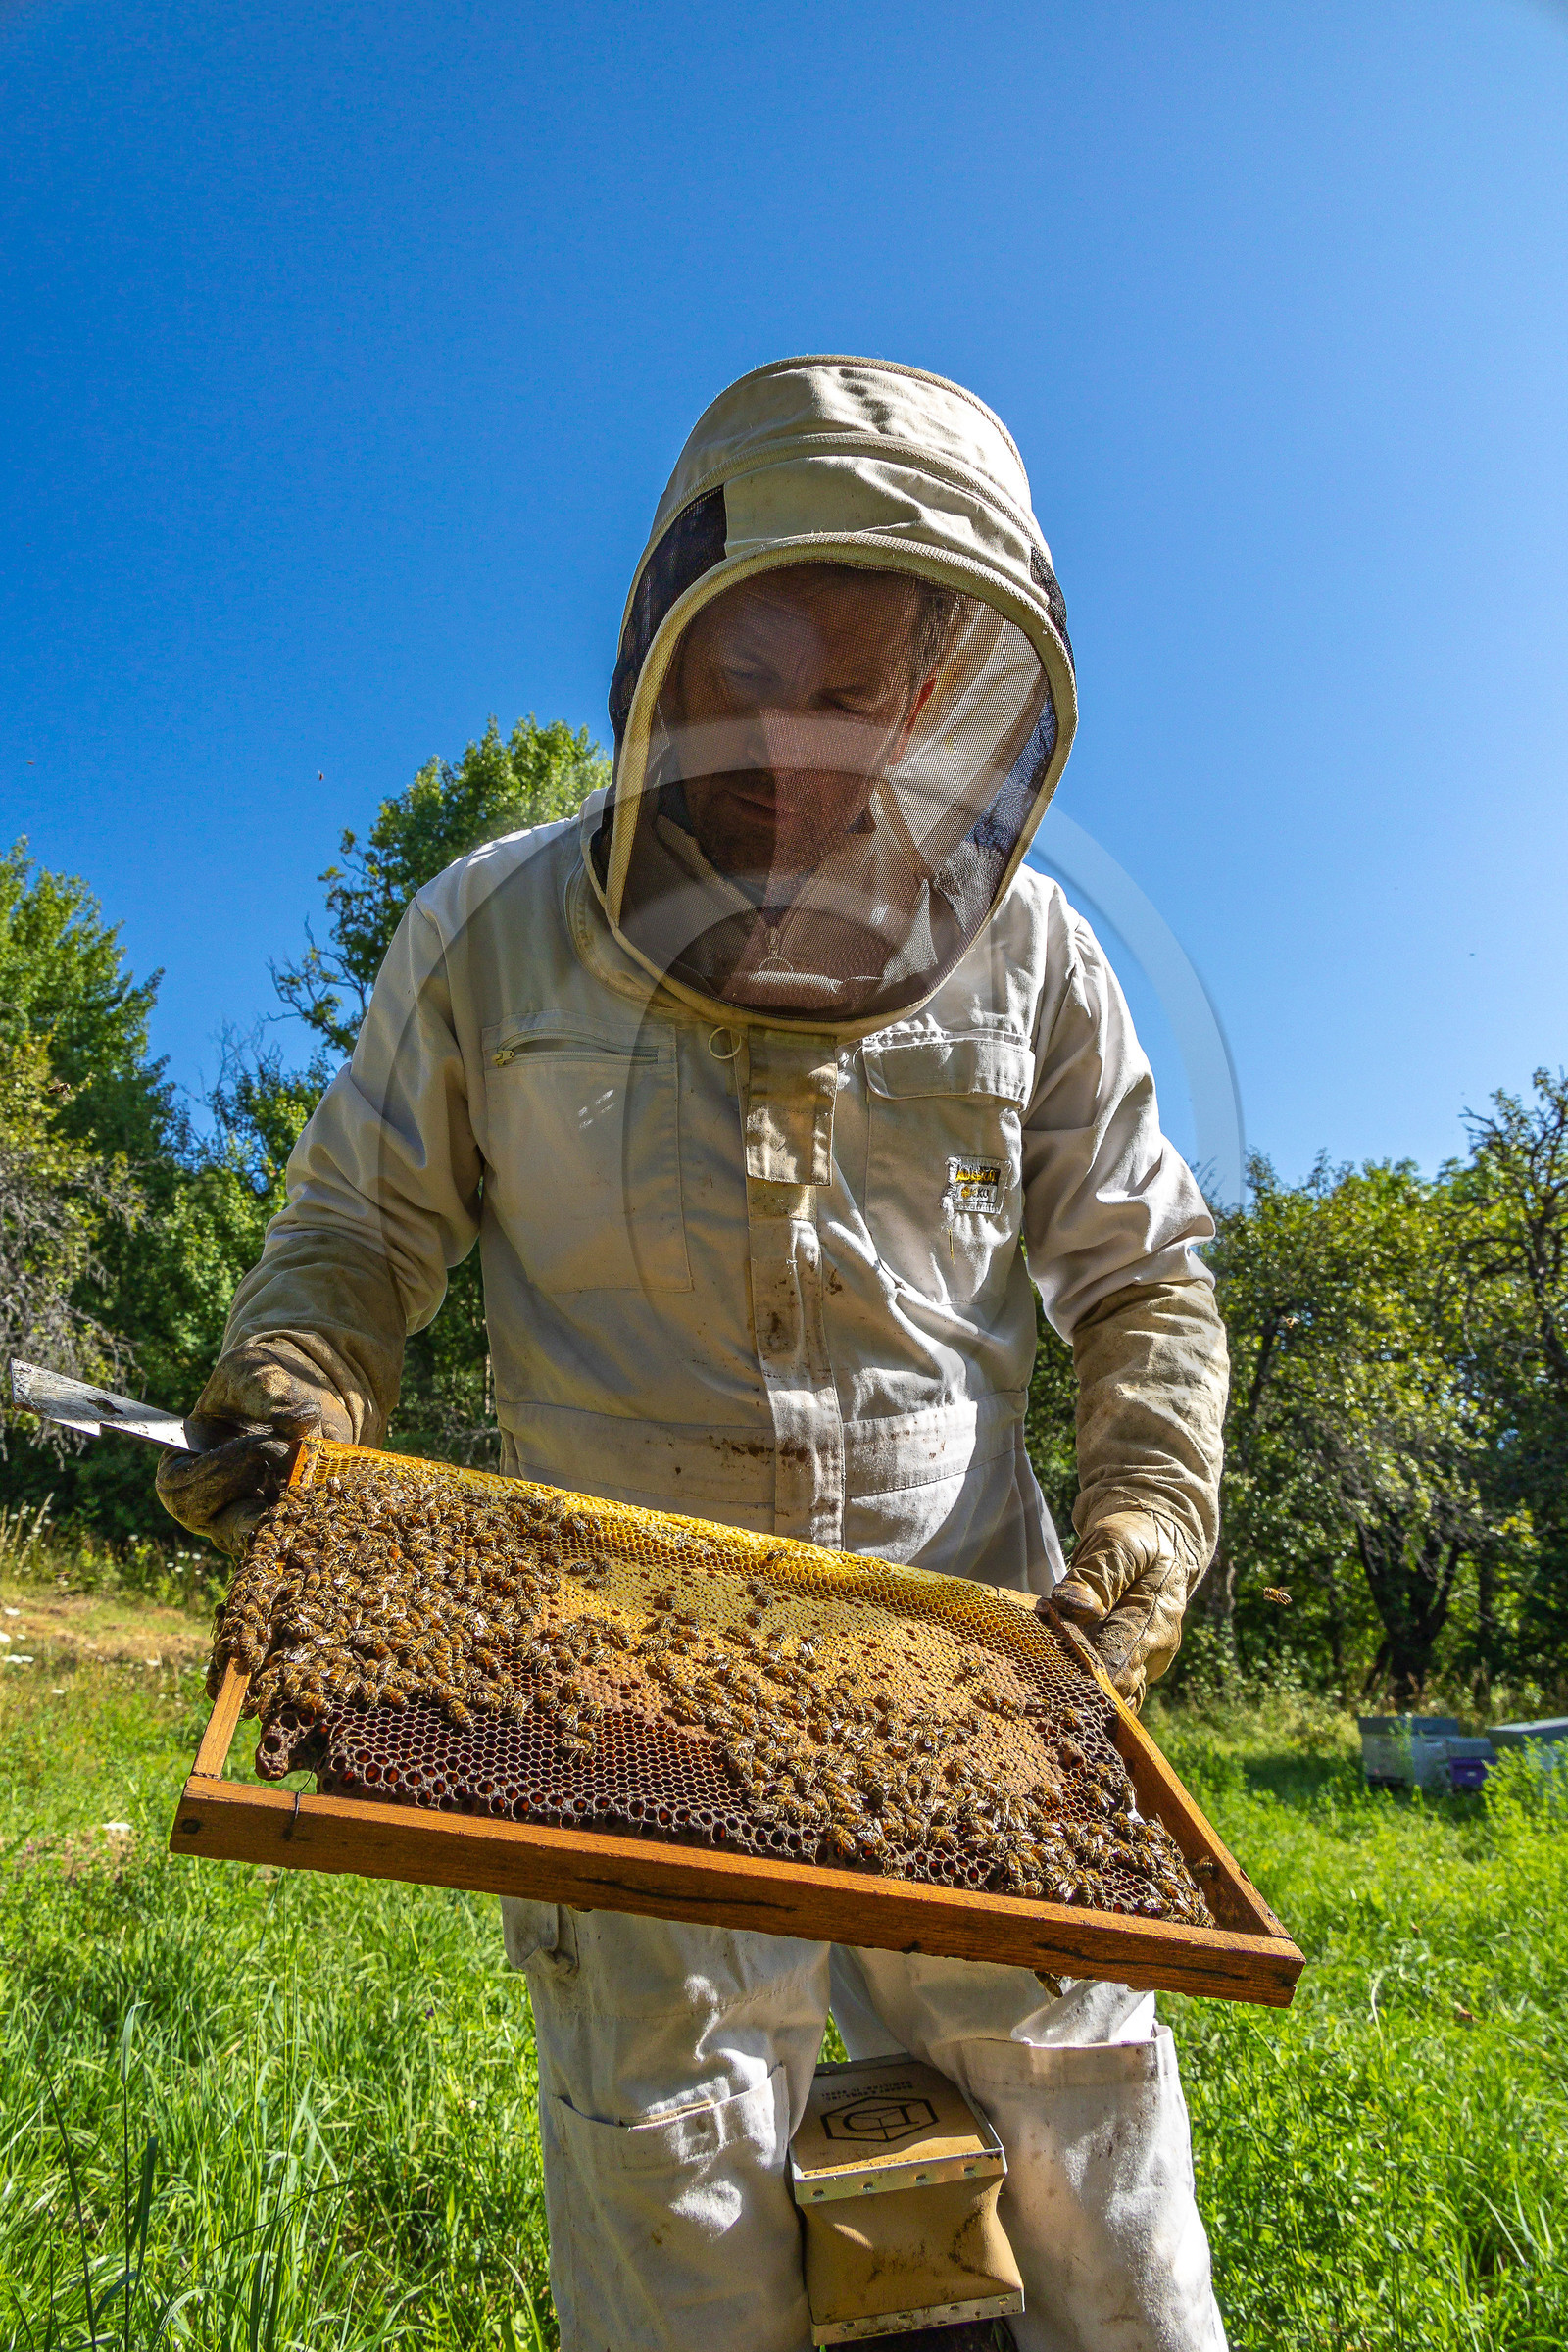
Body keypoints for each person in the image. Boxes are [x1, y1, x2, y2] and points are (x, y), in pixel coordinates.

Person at [159, 356, 1231, 2352]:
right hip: (612, 1696)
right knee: (678, 2191)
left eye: (850, 688)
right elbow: (354, 1228)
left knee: (1095, 2178)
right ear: (667, 653)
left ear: (935, 697)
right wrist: (296, 1379)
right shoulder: (490, 930)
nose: (792, 738)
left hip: (977, 1660)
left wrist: (1146, 1528)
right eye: (754, 669)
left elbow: (1143, 1279)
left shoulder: (1038, 956)